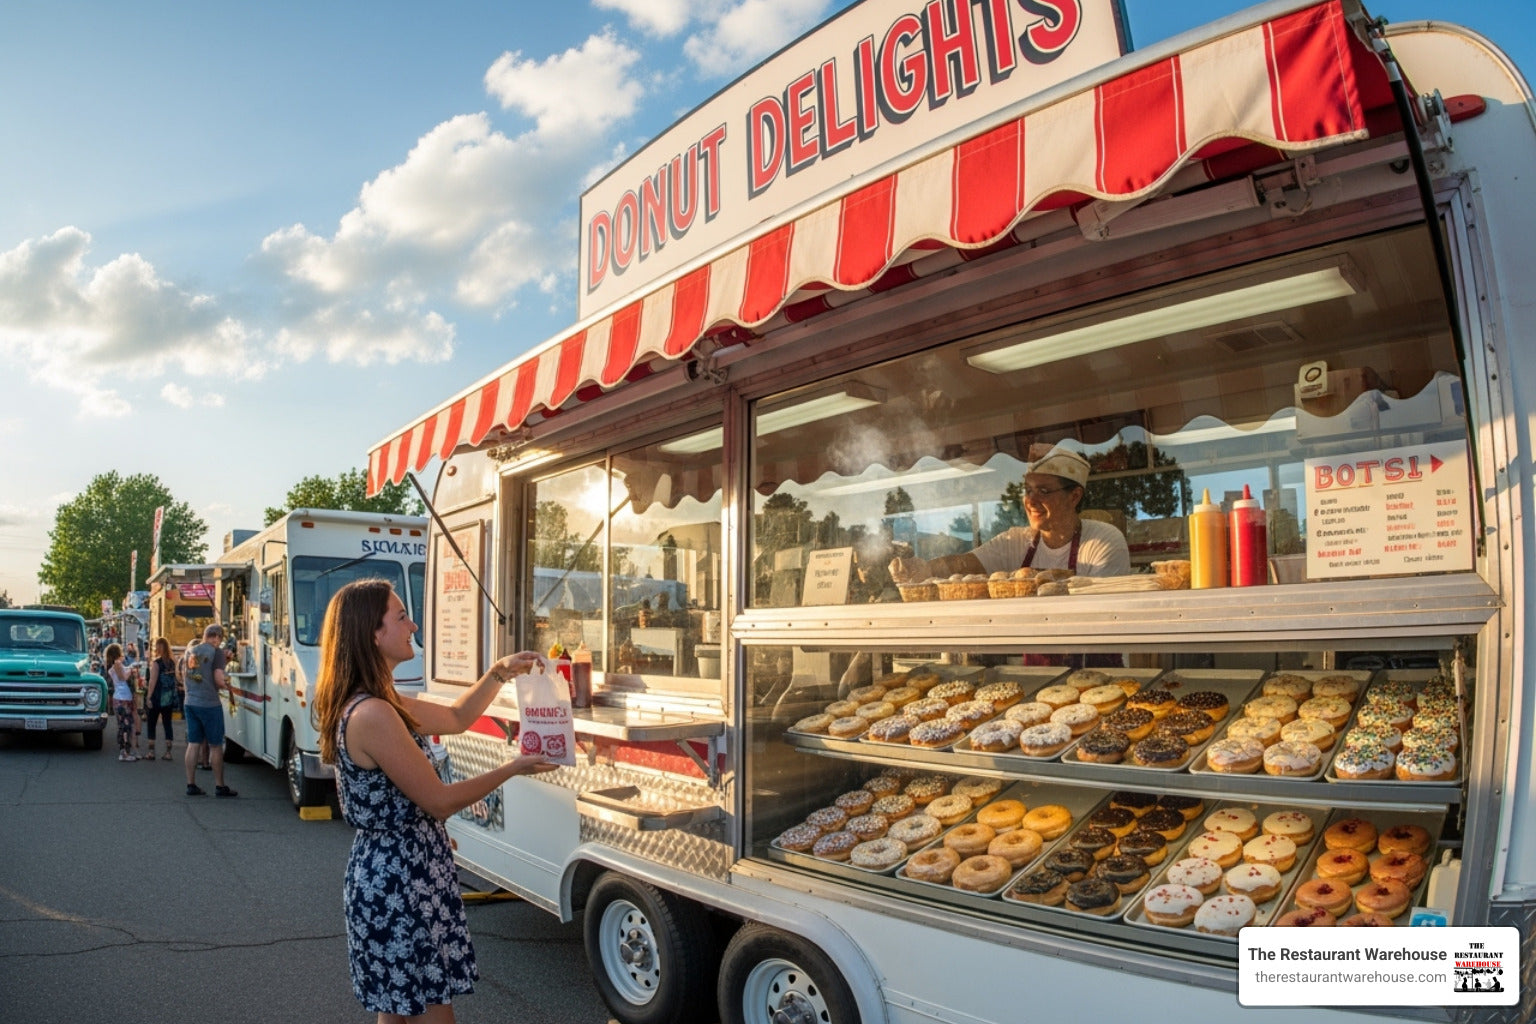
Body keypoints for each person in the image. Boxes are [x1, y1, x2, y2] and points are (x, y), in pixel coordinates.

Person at [314, 578, 558, 1023]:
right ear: (373, 632)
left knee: (397, 1012)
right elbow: (440, 801)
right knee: (426, 1011)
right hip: (400, 885)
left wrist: (499, 672)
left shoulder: (378, 702)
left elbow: (457, 718)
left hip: (402, 873)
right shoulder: (373, 714)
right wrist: (513, 767)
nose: (412, 625)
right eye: (401, 616)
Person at [890, 444, 1131, 581]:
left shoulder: (1104, 542)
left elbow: (1099, 615)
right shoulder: (1017, 541)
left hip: (1095, 663)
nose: (1031, 501)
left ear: (1074, 496)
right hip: (1036, 670)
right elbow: (965, 563)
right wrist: (926, 568)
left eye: (1044, 491)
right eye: (1028, 490)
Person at [182, 624, 236, 797]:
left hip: (190, 702)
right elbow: (218, 679)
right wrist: (227, 684)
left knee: (193, 743)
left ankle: (191, 784)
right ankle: (220, 786)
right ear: (218, 637)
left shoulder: (190, 651)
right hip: (210, 704)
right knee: (215, 746)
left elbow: (185, 674)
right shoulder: (217, 652)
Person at [143, 637, 179, 761]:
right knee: (167, 724)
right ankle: (168, 752)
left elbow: (152, 681)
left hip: (157, 697)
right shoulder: (172, 663)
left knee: (151, 723)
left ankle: (151, 752)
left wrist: (148, 697)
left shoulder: (157, 663)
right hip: (168, 698)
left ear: (158, 648)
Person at [103, 643, 138, 762]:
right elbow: (123, 677)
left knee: (123, 725)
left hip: (120, 697)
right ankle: (124, 752)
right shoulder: (117, 664)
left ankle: (125, 751)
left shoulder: (112, 666)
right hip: (122, 698)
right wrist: (131, 669)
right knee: (126, 725)